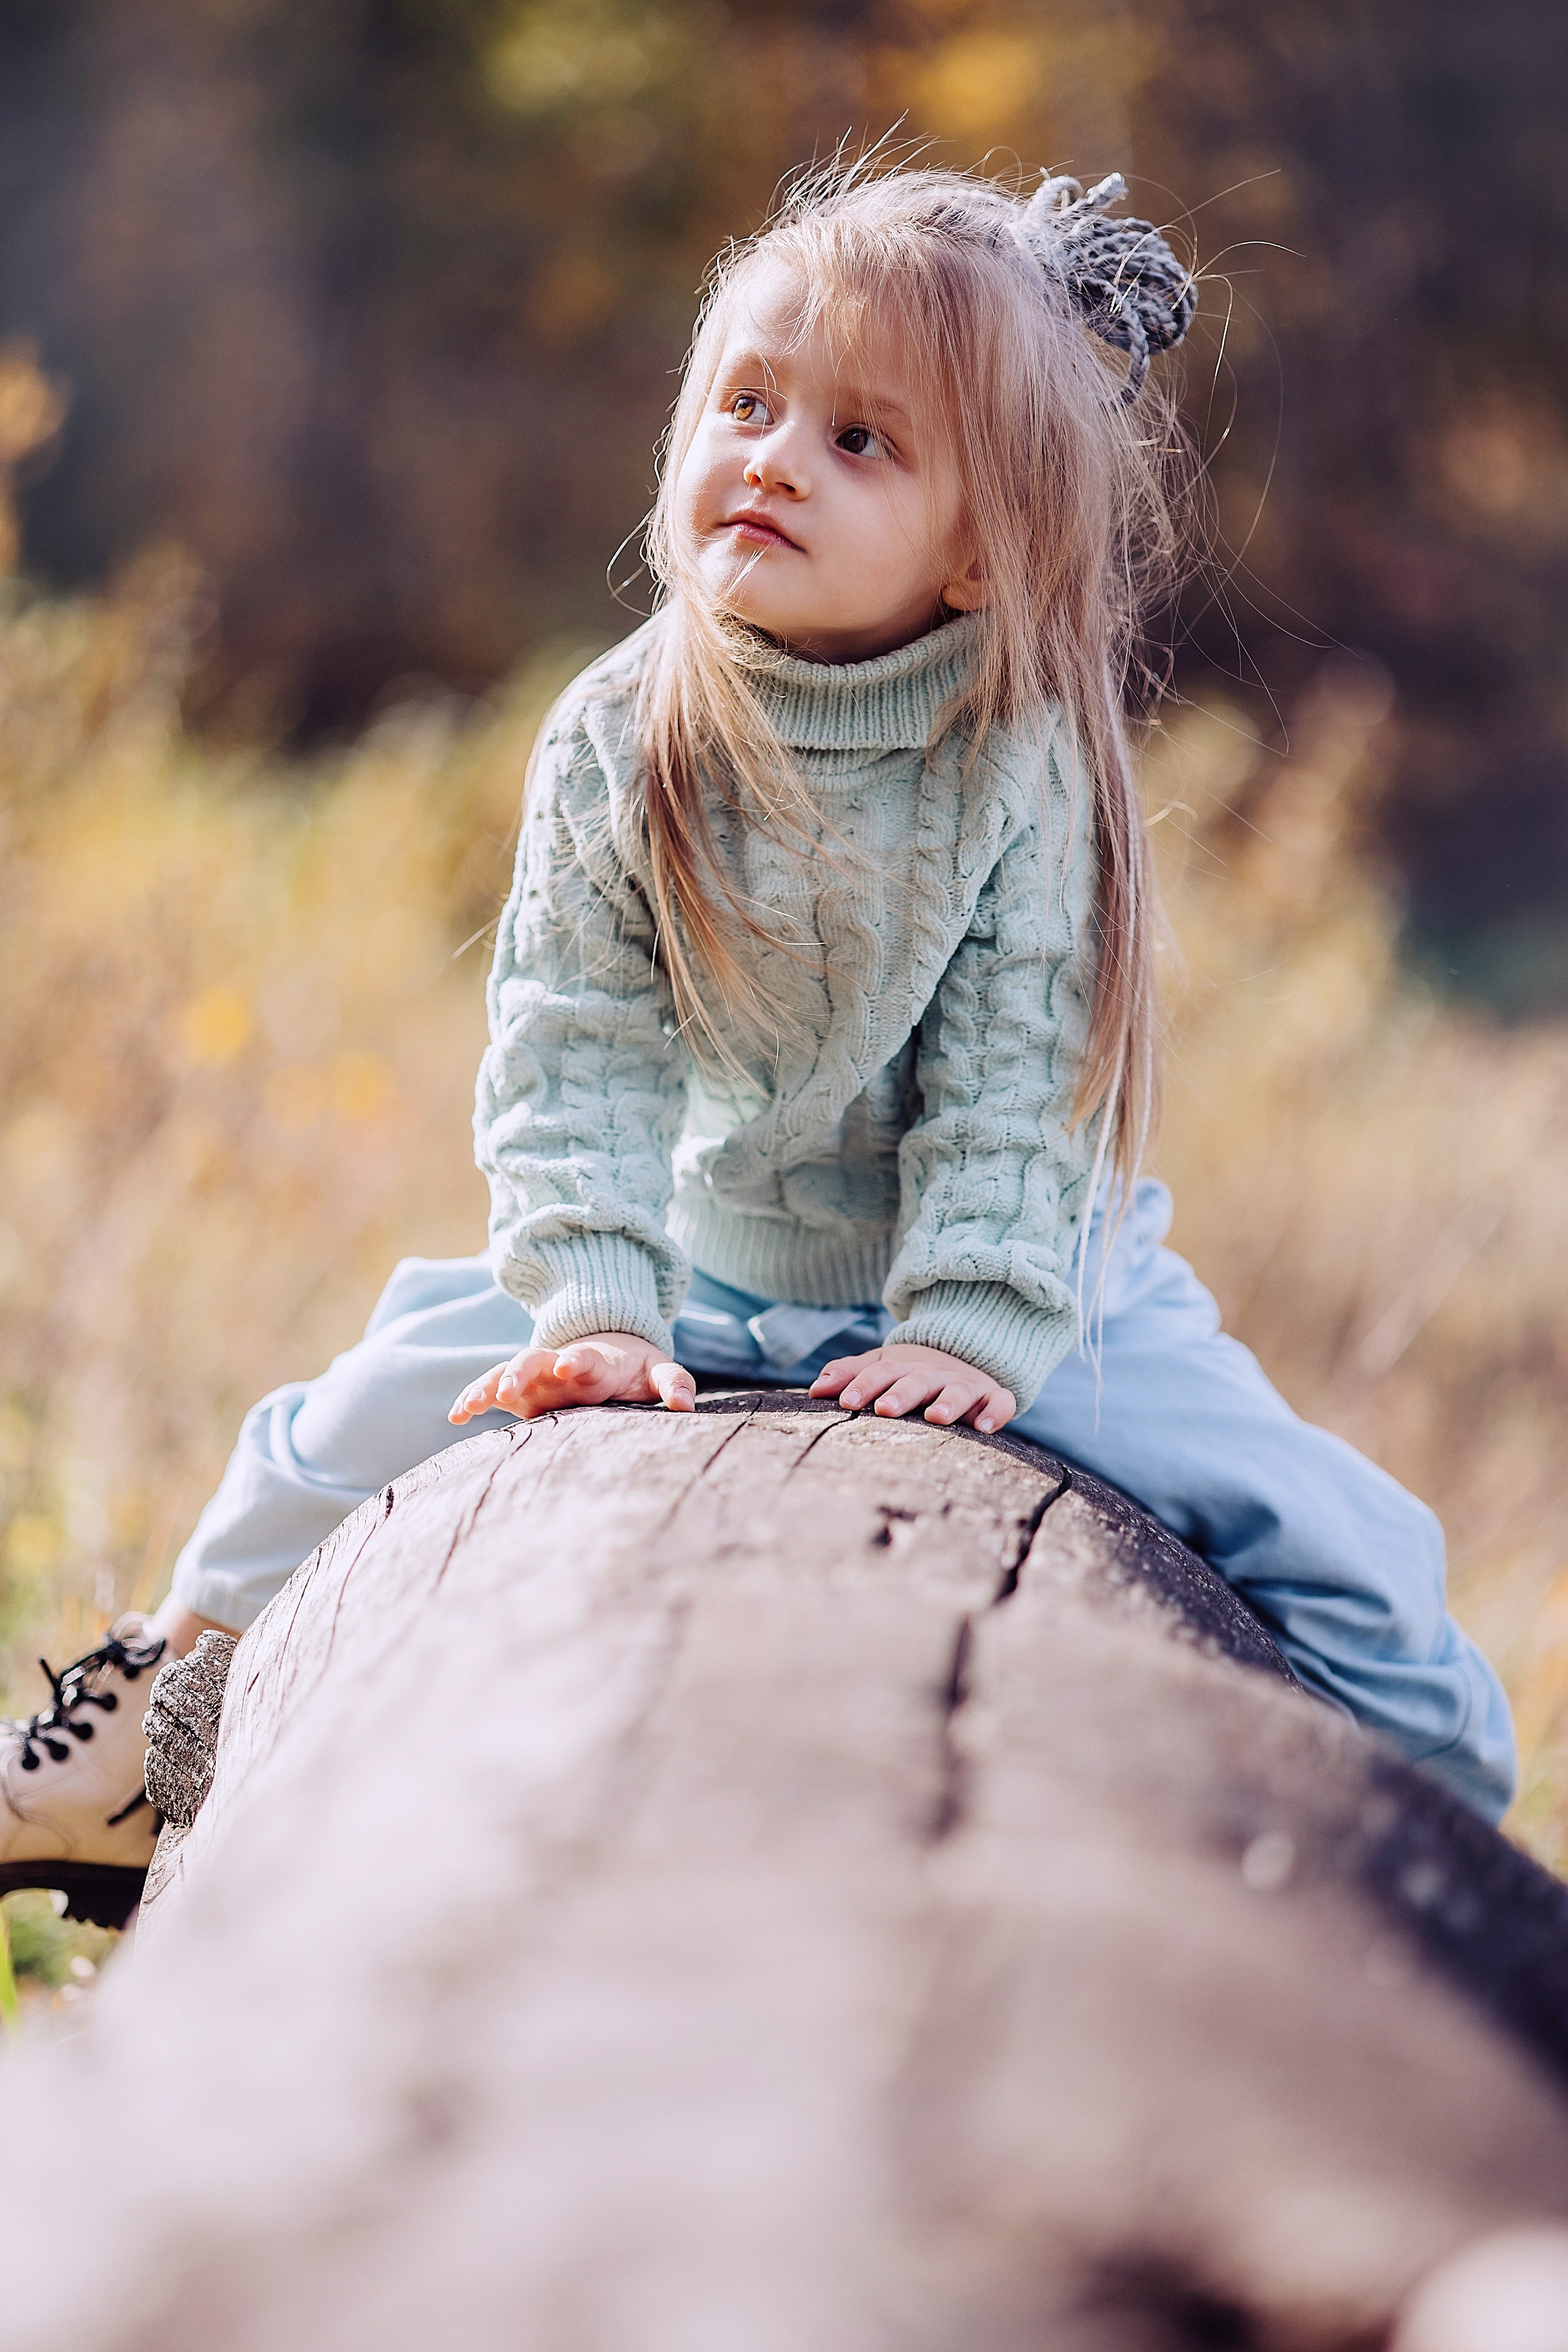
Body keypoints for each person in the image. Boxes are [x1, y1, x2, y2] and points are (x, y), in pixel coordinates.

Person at [0, 162, 1515, 1921]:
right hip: (705, 1255)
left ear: (979, 542)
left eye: (861, 440)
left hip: (1022, 1270)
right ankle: (138, 1725)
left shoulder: (1017, 760)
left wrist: (970, 1322)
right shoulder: (619, 734)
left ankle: (1432, 1861)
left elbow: (1014, 1084)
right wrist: (596, 1301)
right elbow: (576, 1054)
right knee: (321, 1439)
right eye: (748, 404)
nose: (778, 455)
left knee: (1353, 1567)